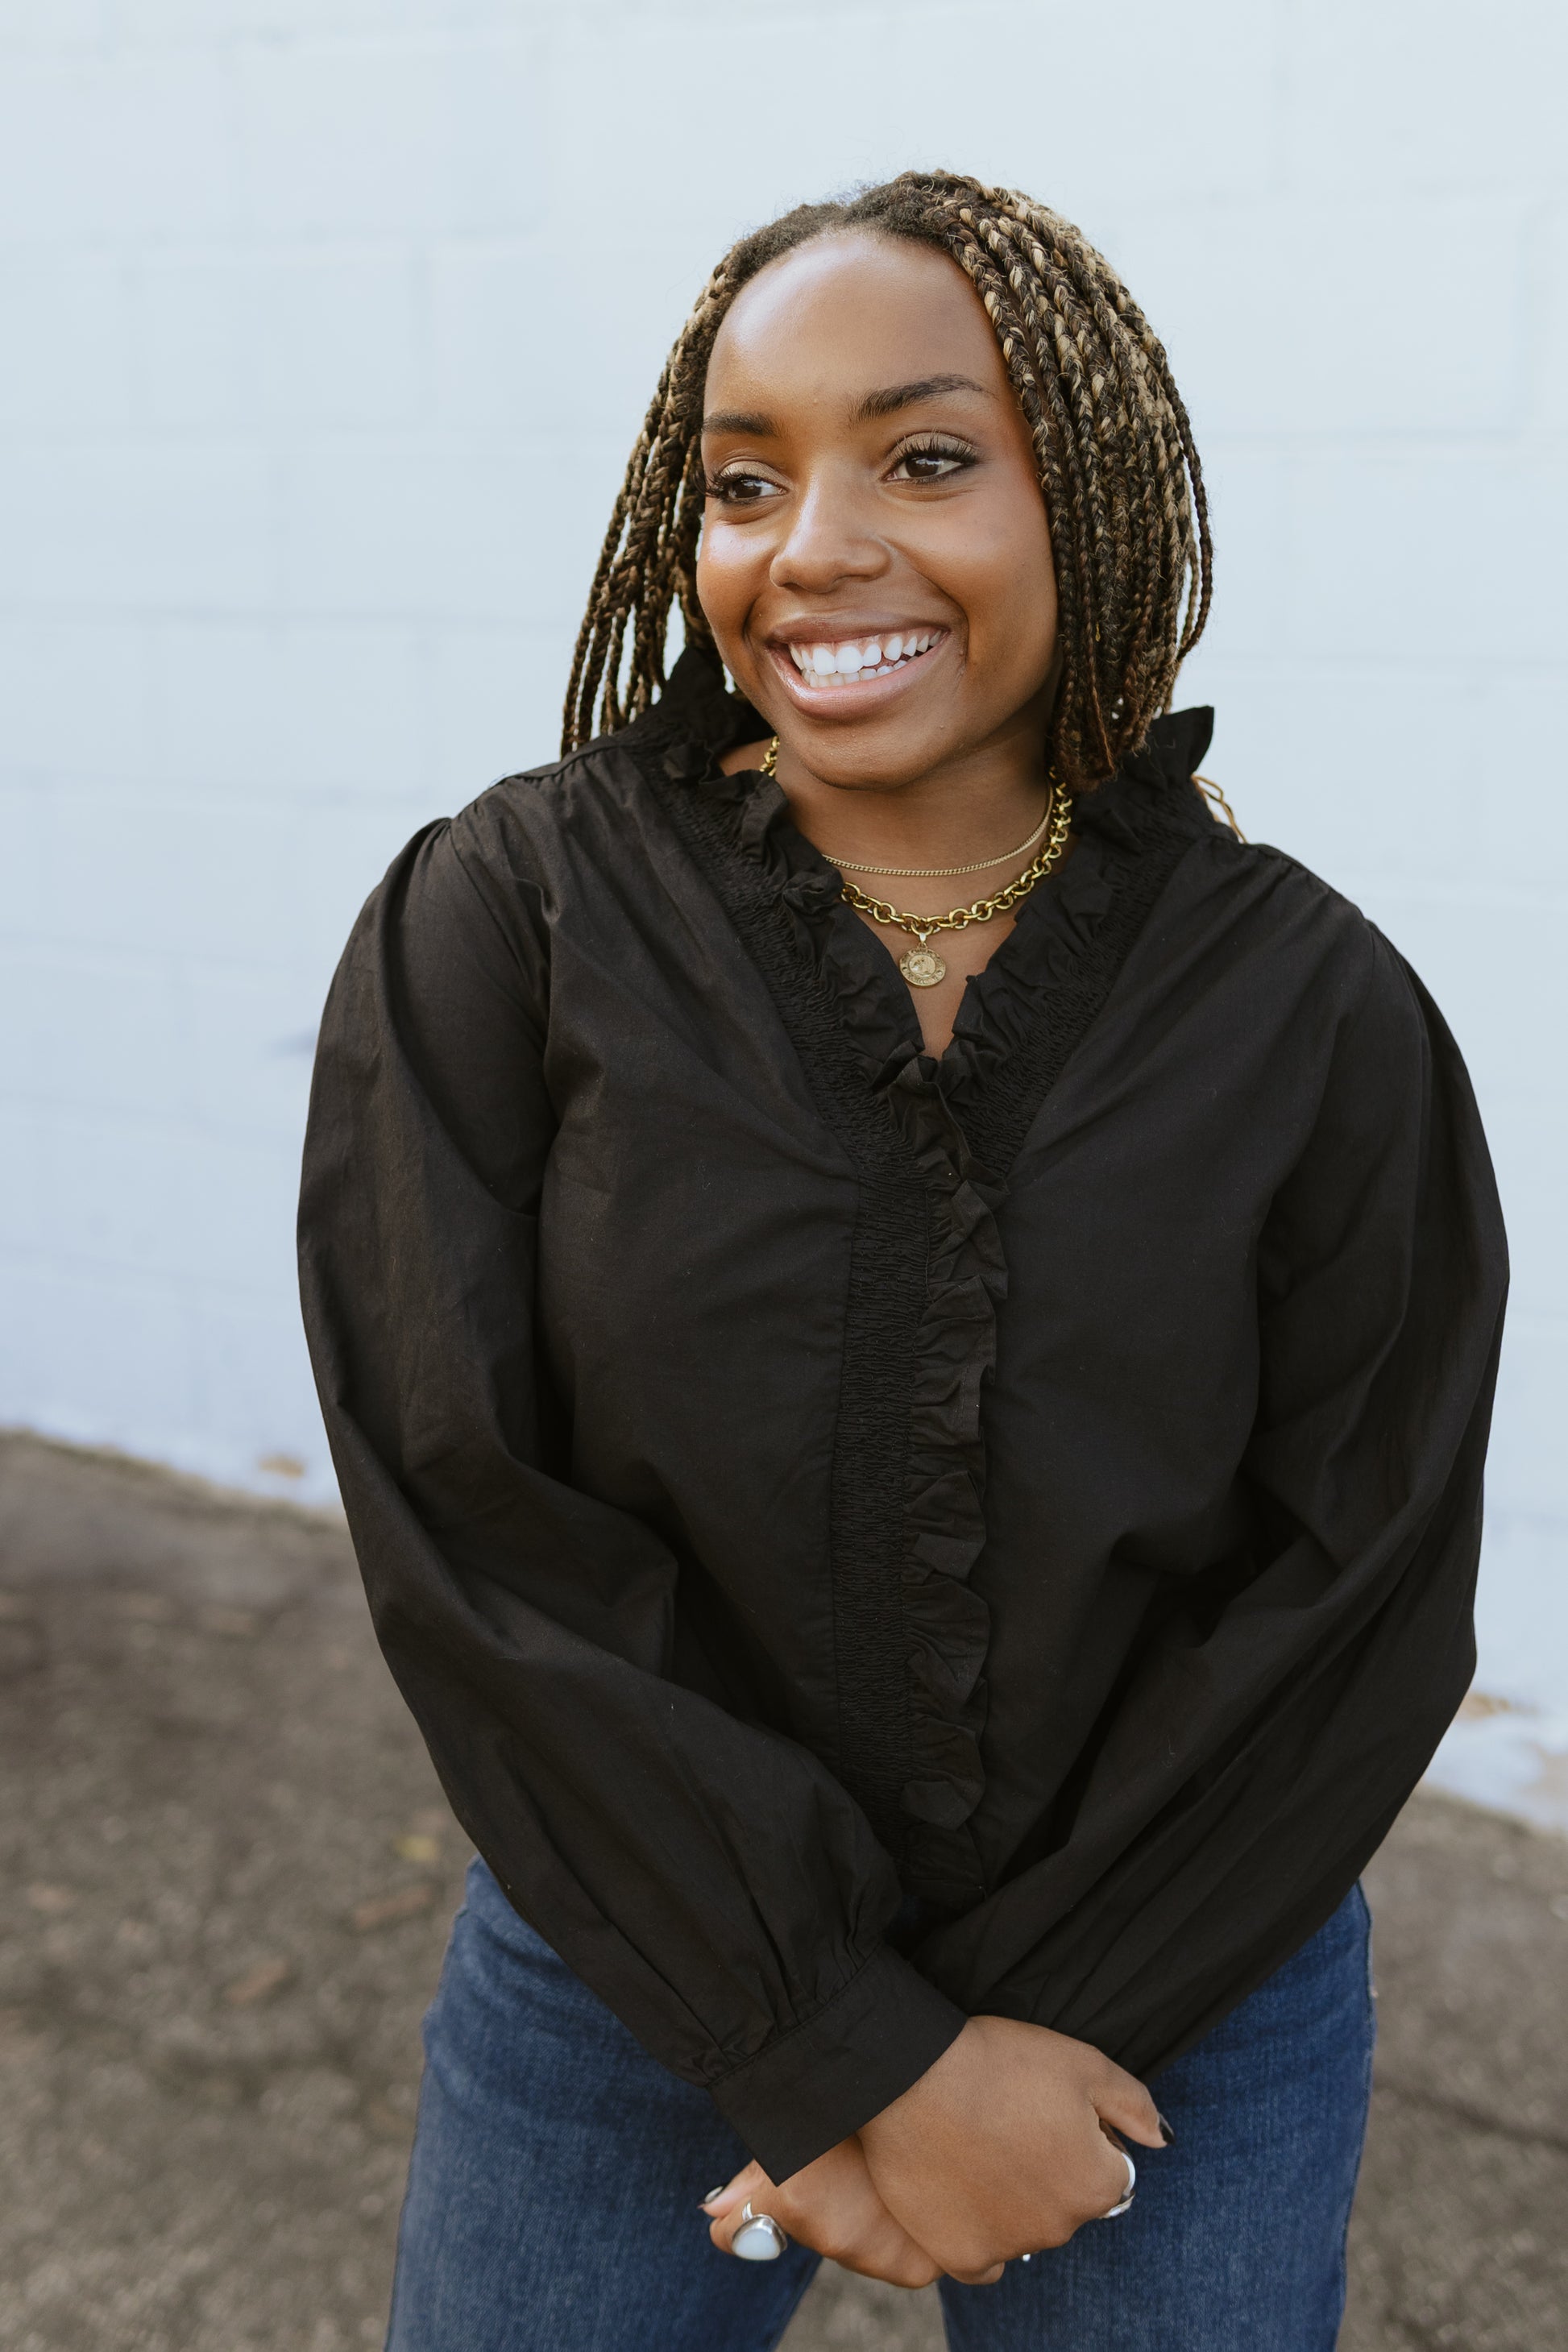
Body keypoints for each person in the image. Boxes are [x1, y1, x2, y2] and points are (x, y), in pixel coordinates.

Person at [298, 172, 1507, 2351]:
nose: (811, 547)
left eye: (923, 457)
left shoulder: (1308, 1004)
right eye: (741, 480)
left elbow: (1361, 1574)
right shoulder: (508, 919)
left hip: (1171, 1993)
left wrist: (1011, 2056)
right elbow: (467, 1512)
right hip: (629, 1963)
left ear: (1096, 499)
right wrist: (855, 2048)